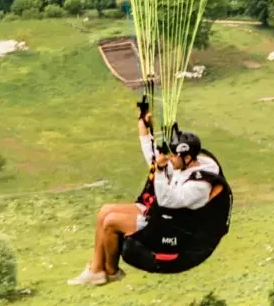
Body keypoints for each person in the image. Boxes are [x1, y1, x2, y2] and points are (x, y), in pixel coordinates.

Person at [67, 104, 219, 286]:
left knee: (111, 222)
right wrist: (144, 129)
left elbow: (167, 200)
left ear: (187, 158)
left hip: (171, 229)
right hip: (160, 215)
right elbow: (154, 159)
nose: (169, 158)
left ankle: (111, 271)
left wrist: (160, 171)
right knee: (104, 211)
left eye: (173, 156)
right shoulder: (185, 164)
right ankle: (96, 270)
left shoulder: (199, 186)